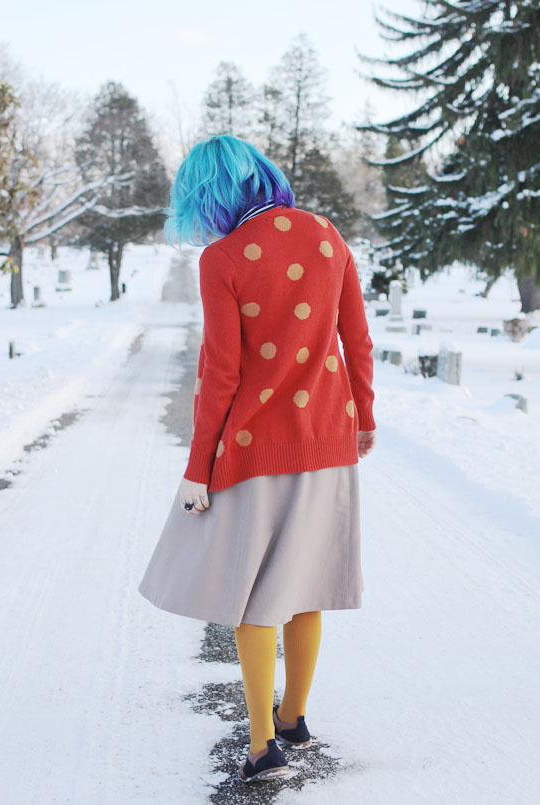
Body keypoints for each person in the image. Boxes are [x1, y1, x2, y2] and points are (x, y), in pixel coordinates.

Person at [138, 134, 377, 783]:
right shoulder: (327, 235)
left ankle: (262, 745)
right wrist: (364, 417)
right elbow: (356, 338)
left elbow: (221, 372)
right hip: (327, 438)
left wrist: (198, 467)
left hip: (254, 450)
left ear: (209, 198)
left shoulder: (222, 258)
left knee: (254, 596)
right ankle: (293, 717)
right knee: (305, 587)